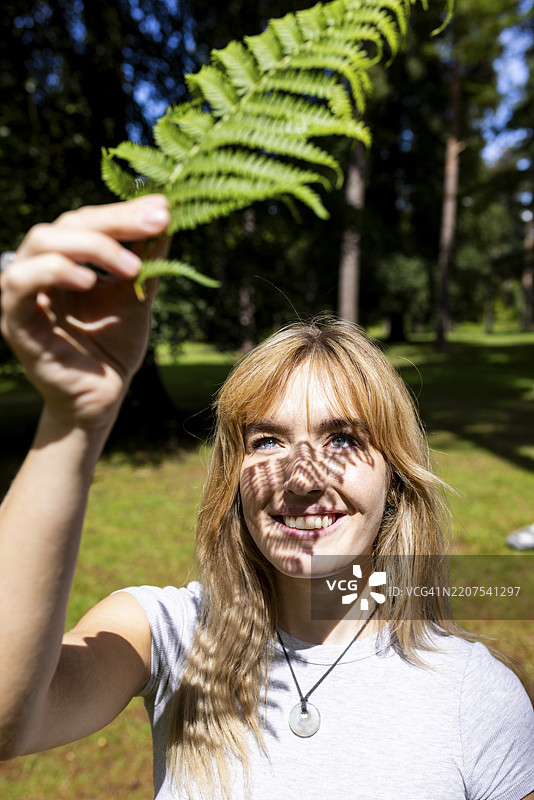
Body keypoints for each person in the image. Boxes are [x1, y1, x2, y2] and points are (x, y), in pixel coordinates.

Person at [0, 195, 533, 800]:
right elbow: (8, 717)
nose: (302, 478)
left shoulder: (477, 696)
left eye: (342, 438)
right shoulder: (168, 636)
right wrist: (73, 422)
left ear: (396, 479)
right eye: (268, 440)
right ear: (232, 479)